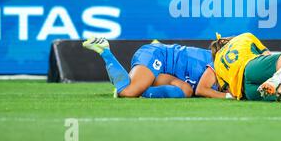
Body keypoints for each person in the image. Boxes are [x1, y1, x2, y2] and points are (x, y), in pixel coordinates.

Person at [197, 33, 281, 104]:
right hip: (252, 68)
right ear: (226, 40)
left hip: (248, 92)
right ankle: (275, 80)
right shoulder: (244, 36)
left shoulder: (217, 63)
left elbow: (228, 90)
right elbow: (266, 55)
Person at [82, 37, 227, 99]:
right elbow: (202, 89)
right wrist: (230, 97)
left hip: (169, 73)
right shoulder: (223, 61)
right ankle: (104, 49)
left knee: (186, 91)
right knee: (128, 92)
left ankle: (136, 86)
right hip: (157, 55)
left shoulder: (229, 69)